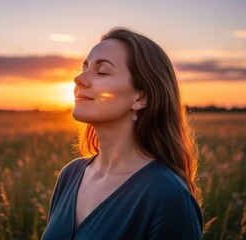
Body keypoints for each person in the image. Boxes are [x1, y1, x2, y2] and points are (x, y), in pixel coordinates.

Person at [41, 27, 203, 240]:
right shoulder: (70, 174)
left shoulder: (168, 195)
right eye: (85, 67)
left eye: (102, 72)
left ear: (140, 98)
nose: (78, 78)